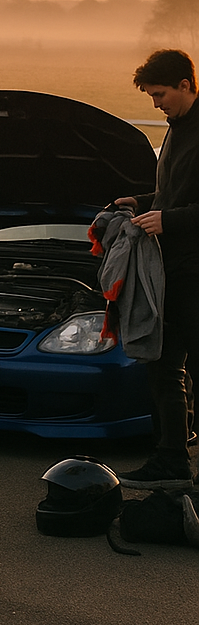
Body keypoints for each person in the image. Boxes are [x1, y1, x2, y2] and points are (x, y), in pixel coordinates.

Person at [115, 49, 199, 490]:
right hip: (169, 273)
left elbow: (185, 208)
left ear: (186, 85)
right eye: (151, 96)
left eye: (161, 94)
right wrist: (143, 202)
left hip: (197, 275)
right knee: (163, 367)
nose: (156, 104)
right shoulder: (176, 129)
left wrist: (169, 220)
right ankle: (171, 460)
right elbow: (174, 192)